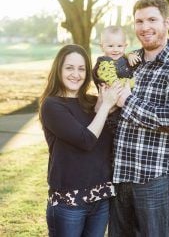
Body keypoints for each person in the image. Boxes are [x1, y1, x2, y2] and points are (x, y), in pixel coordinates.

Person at [108, 0, 169, 237]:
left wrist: (127, 100)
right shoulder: (128, 63)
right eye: (139, 21)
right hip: (119, 176)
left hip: (153, 179)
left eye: (152, 19)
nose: (145, 27)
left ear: (167, 22)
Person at [39, 44, 122, 237]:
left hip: (101, 198)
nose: (76, 74)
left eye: (81, 68)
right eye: (69, 67)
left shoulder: (94, 102)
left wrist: (104, 105)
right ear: (58, 69)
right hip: (69, 202)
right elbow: (86, 140)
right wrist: (105, 107)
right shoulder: (52, 105)